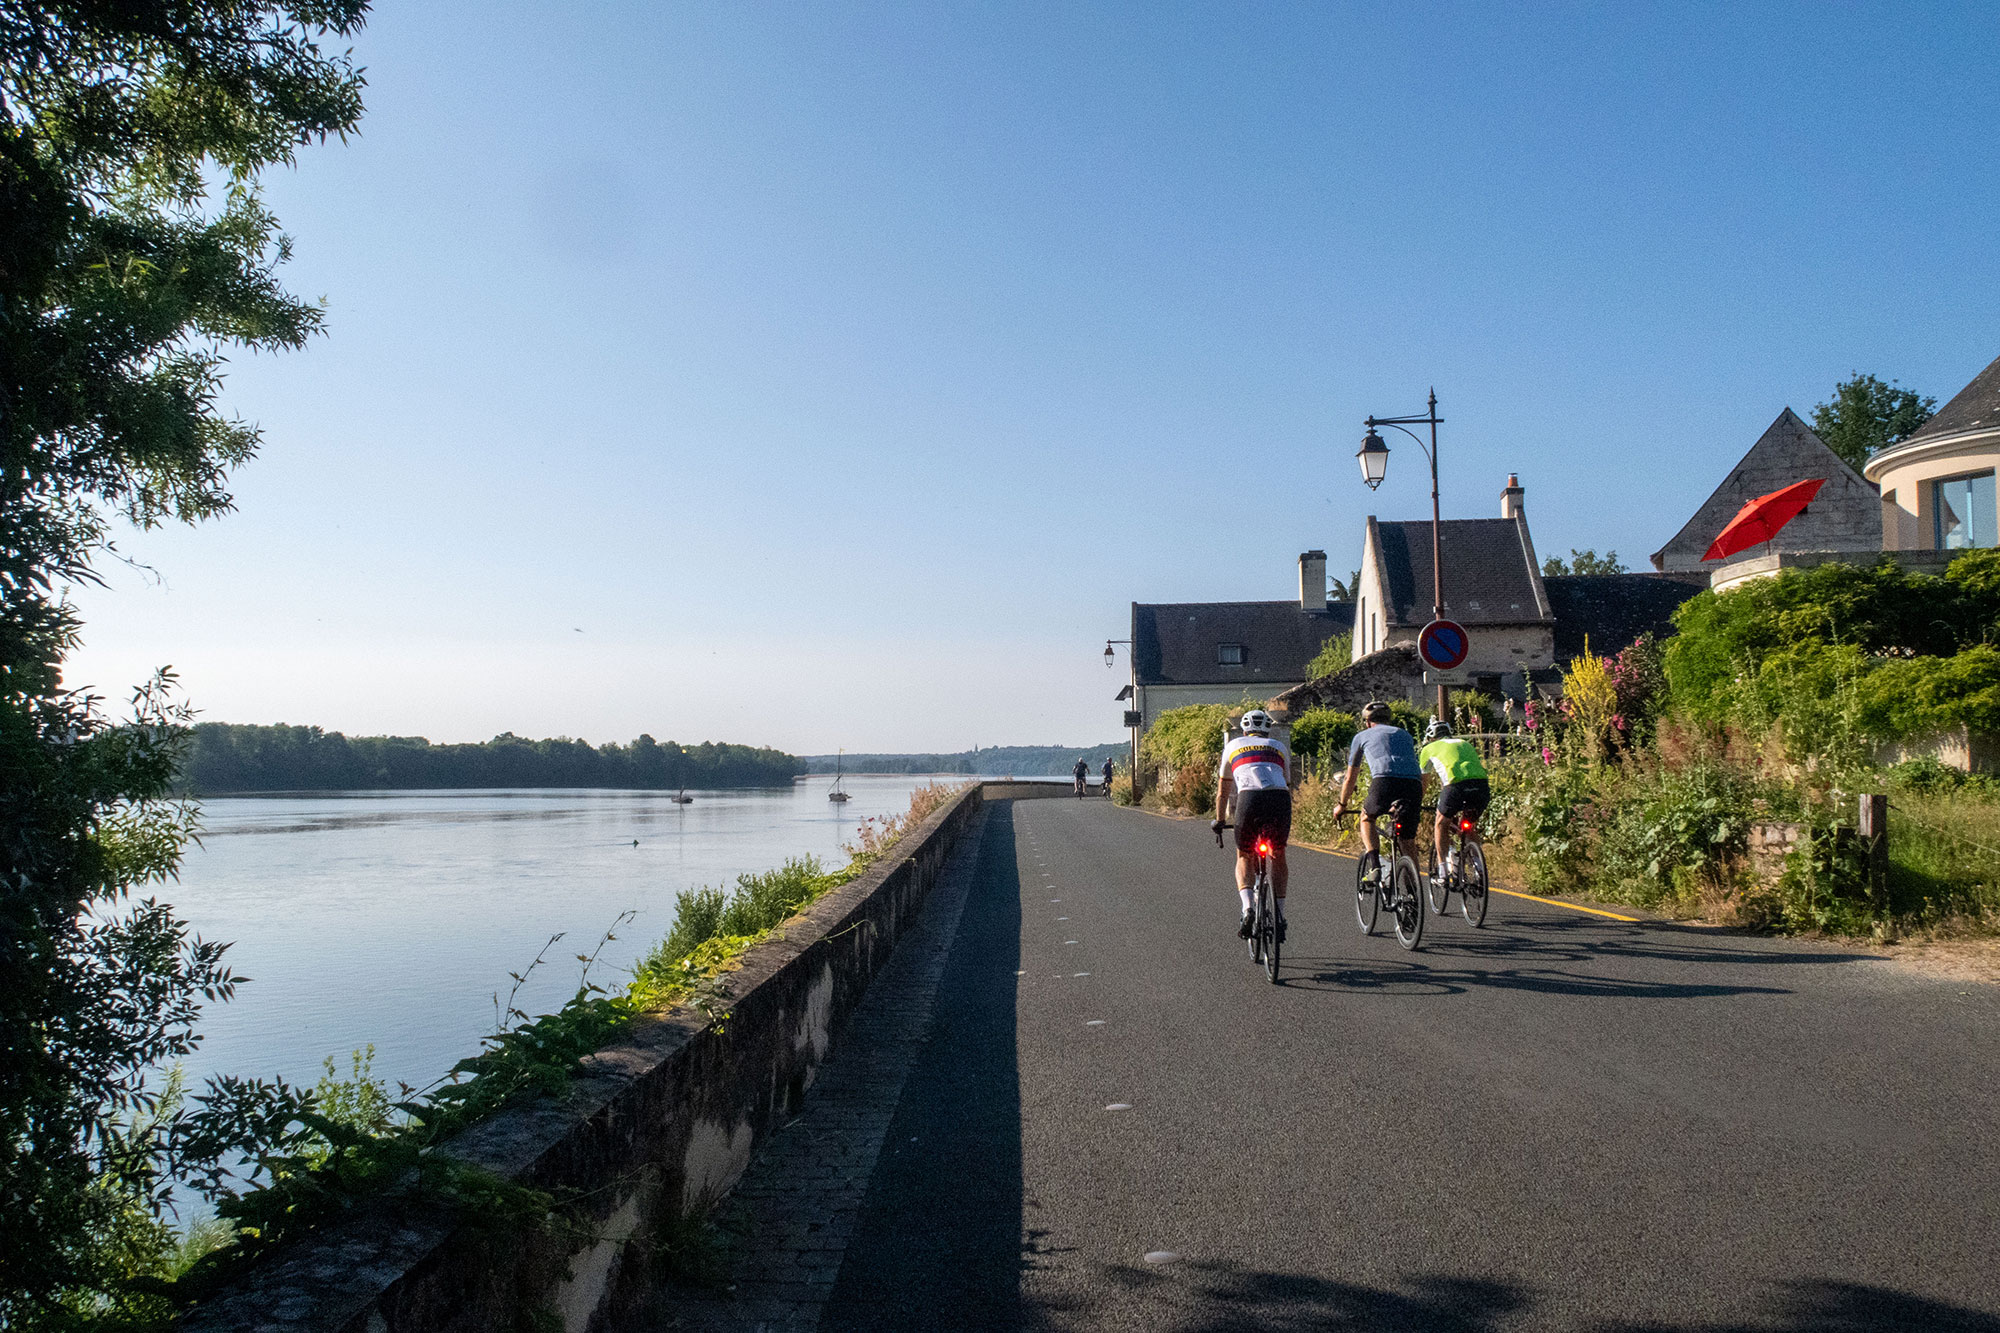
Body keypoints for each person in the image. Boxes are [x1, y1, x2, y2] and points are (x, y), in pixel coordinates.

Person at [1209, 708, 1293, 943]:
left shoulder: (1233, 746)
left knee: (1244, 854)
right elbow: (1286, 782)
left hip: (1249, 799)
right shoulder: (1278, 746)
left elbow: (1222, 792)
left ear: (1244, 729)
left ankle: (1248, 908)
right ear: (1267, 729)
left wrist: (1220, 821)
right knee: (1278, 854)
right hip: (1279, 799)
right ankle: (1280, 915)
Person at [1329, 700, 1424, 881]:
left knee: (1367, 818)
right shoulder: (1405, 734)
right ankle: (1414, 893)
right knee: (1407, 842)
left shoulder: (1361, 736)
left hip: (1384, 780)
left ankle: (1375, 866)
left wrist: (1342, 805)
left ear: (1367, 722)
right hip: (1413, 784)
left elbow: (1350, 778)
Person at [1418, 718, 1489, 883]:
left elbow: (1423, 782)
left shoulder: (1428, 748)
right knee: (1469, 827)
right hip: (1481, 786)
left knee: (1440, 823)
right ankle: (1479, 868)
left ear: (1431, 737)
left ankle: (1442, 871)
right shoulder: (1465, 743)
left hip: (1455, 787)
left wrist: (1417, 803)